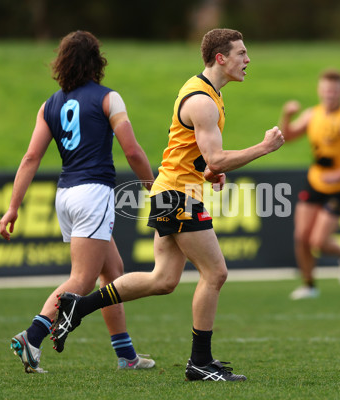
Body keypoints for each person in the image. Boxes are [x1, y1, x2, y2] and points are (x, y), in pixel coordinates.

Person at [49, 28, 284, 381]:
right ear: (220, 58)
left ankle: (79, 306)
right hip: (177, 197)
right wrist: (263, 147)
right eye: (241, 53)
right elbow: (216, 157)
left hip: (172, 191)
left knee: (163, 279)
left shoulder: (209, 94)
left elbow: (200, 157)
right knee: (215, 273)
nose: (247, 60)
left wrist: (206, 171)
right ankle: (200, 363)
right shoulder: (202, 100)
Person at [0, 30, 156, 373]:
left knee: (112, 272)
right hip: (93, 193)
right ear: (97, 62)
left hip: (66, 196)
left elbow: (30, 158)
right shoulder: (108, 98)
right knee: (82, 280)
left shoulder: (49, 104)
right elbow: (131, 150)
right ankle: (33, 336)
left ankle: (126, 356)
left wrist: (13, 207)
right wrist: (154, 188)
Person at [279, 69, 340, 300]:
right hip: (314, 181)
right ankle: (309, 286)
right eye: (326, 89)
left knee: (317, 242)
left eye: (334, 90)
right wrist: (287, 115)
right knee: (301, 237)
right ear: (319, 91)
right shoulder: (313, 115)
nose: (329, 94)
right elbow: (288, 136)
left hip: (339, 188)